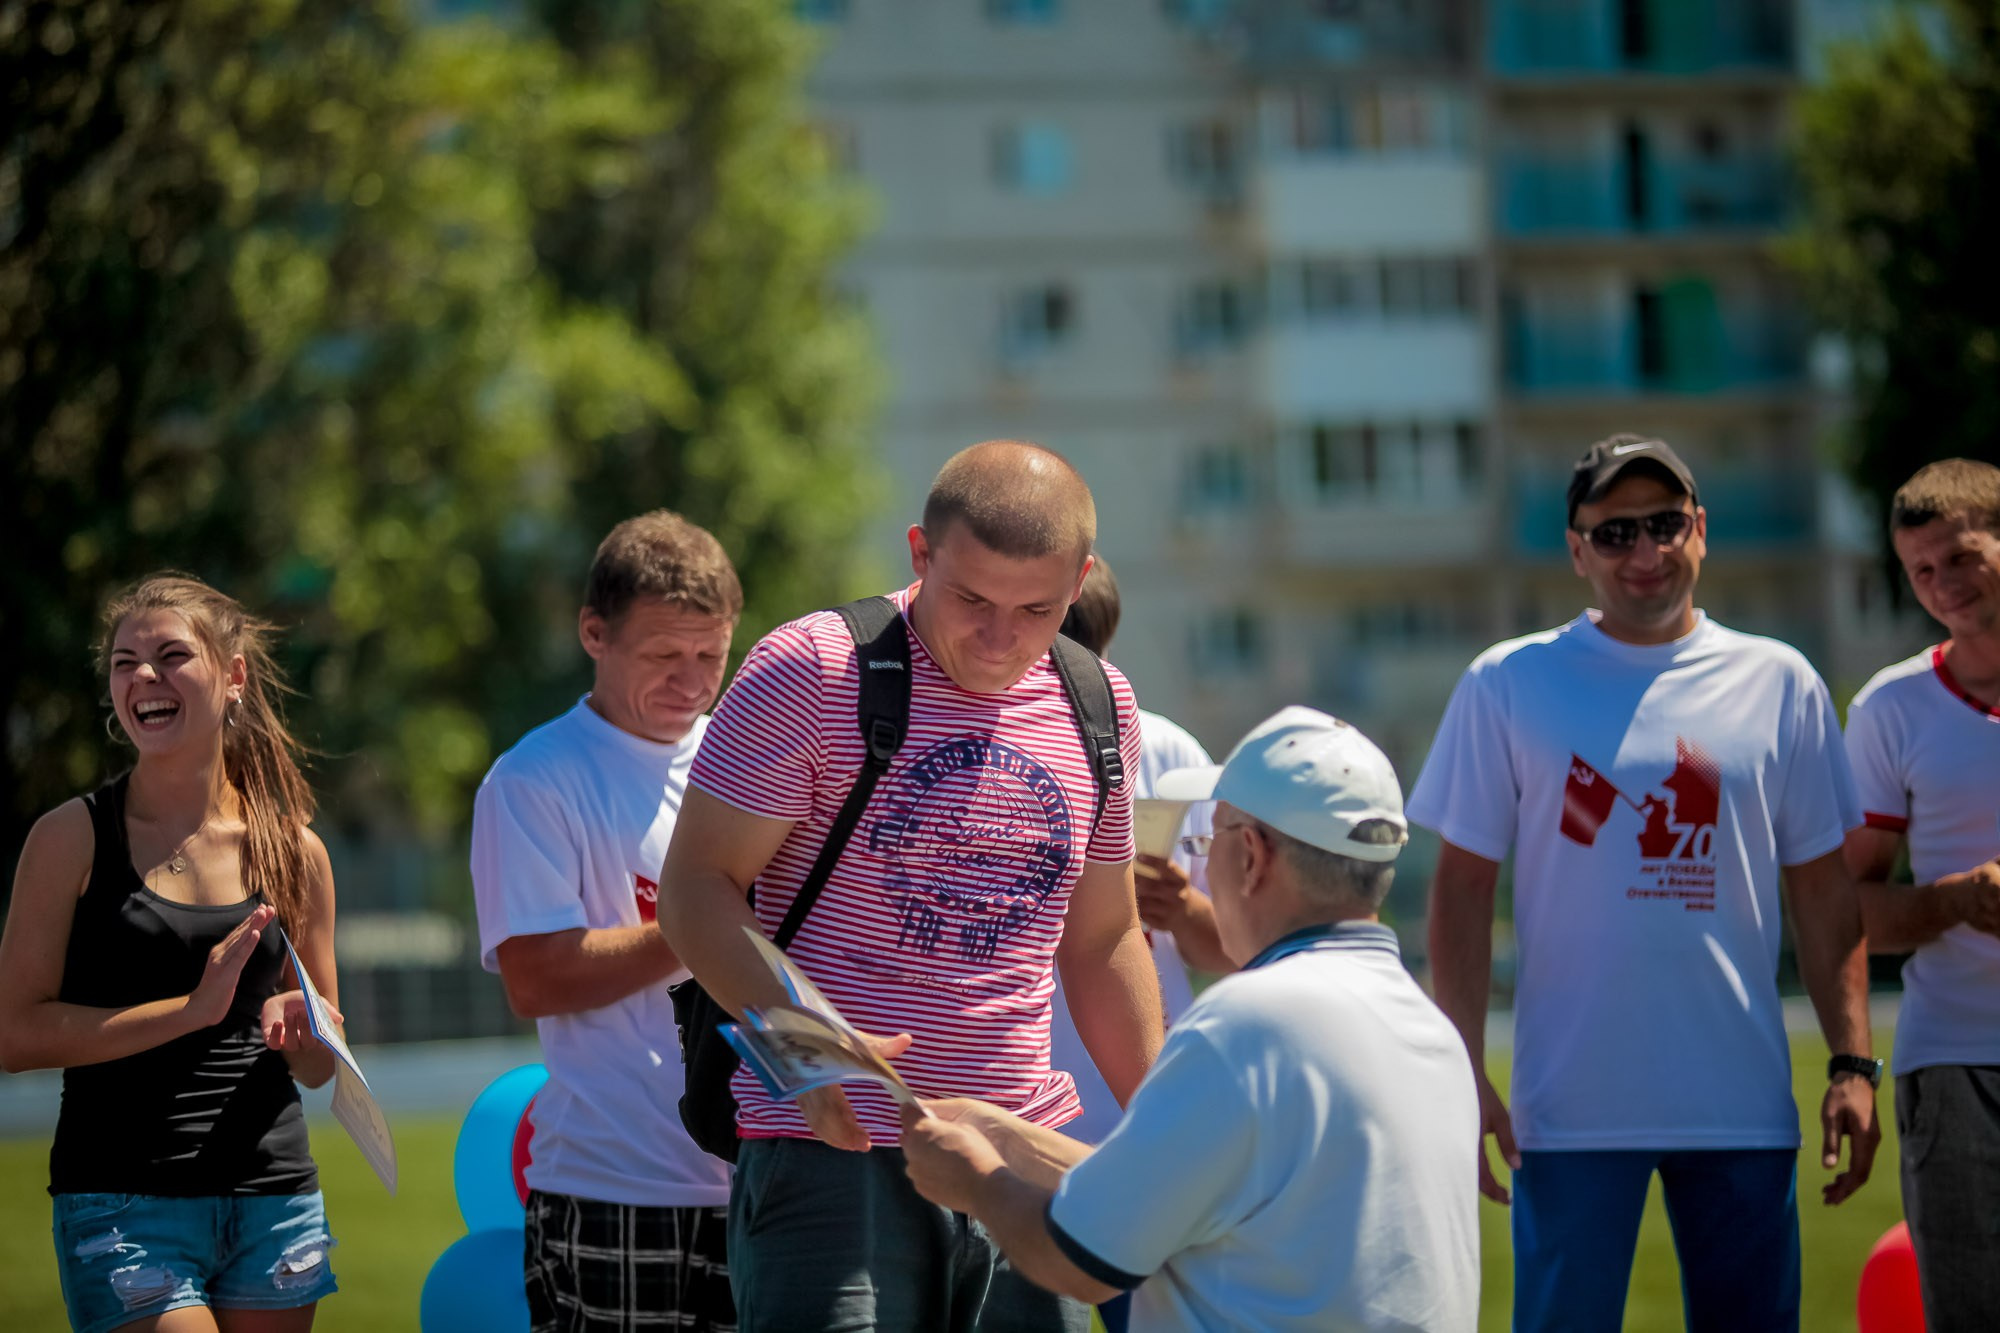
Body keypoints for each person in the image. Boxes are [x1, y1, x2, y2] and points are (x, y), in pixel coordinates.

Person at [657, 440, 1161, 1333]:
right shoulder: (812, 669)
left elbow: (1104, 938)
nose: (1001, 638)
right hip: (830, 1150)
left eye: (1038, 609)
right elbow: (696, 886)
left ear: (1079, 583)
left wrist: (1166, 1130)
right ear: (920, 553)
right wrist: (808, 1048)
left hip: (1018, 1154)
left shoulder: (1099, 701)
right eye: (971, 599)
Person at [1408, 435, 1879, 1332]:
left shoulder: (1780, 680)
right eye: (1615, 532)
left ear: (1701, 530)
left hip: (1739, 1105)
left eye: (1665, 524)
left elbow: (1824, 891)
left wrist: (1853, 1061)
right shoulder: (1509, 681)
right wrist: (1462, 1067)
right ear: (1577, 551)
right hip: (1570, 1109)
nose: (1645, 552)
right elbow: (1461, 890)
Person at [899, 707, 1480, 1333]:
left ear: (1252, 857)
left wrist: (977, 1180)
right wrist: (1005, 1135)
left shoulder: (1249, 1023)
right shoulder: (1430, 1031)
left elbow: (1080, 1259)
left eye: (1207, 841)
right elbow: (1182, 1192)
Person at [0, 573, 342, 1332]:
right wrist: (190, 1011)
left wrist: (306, 1024)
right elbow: (15, 1036)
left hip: (275, 1202)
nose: (143, 677)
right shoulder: (68, 838)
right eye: (124, 662)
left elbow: (322, 1069)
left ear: (233, 675)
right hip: (124, 1203)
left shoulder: (297, 852)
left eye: (170, 655)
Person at [471, 511, 740, 1333]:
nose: (693, 682)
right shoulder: (533, 779)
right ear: (594, 632)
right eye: (665, 654)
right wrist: (701, 917)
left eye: (712, 655)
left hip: (763, 1175)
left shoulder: (748, 760)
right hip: (613, 1184)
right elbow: (537, 977)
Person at [1842, 458, 2000, 1333]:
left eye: (1962, 556)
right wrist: (1958, 900)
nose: (1943, 586)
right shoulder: (1891, 709)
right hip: (1956, 1066)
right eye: (1921, 570)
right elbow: (1844, 908)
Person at [1050, 554, 1226, 1143]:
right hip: (1018, 1105)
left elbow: (1239, 949)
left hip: (1139, 1102)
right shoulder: (985, 747)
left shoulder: (1166, 751)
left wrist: (1181, 908)